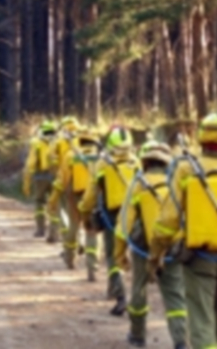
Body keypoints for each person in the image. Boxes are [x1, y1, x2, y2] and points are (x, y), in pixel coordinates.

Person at [149, 112, 217, 349]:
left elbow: (168, 219)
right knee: (214, 327)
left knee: (202, 324)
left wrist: (156, 254)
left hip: (198, 258)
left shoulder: (185, 170)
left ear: (202, 137)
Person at [114, 140, 188, 349]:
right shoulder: (177, 184)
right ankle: (180, 340)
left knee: (139, 289)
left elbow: (124, 224)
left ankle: (137, 335)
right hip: (171, 247)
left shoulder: (138, 183)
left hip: (143, 248)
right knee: (175, 295)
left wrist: (120, 254)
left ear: (145, 162)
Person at [79, 125, 140, 316]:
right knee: (137, 258)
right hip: (136, 215)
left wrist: (84, 213)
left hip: (111, 216)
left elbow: (91, 195)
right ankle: (138, 298)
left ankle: (120, 296)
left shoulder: (102, 164)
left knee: (113, 257)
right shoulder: (136, 162)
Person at [47, 128, 100, 270]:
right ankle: (92, 263)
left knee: (73, 226)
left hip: (75, 196)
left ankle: (70, 258)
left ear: (80, 141)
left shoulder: (71, 155)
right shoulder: (100, 157)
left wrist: (53, 199)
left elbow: (61, 180)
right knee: (91, 228)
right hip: (93, 197)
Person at [45, 116, 83, 243]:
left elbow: (50, 157)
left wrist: (55, 170)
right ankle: (80, 239)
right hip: (81, 180)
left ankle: (66, 236)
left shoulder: (58, 140)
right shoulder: (83, 138)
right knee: (79, 213)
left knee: (60, 207)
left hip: (63, 178)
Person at [22, 120, 57, 238]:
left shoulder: (36, 143)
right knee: (55, 203)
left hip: (40, 178)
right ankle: (54, 232)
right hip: (55, 177)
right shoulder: (59, 142)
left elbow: (30, 164)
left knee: (39, 203)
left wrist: (26, 183)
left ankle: (40, 229)